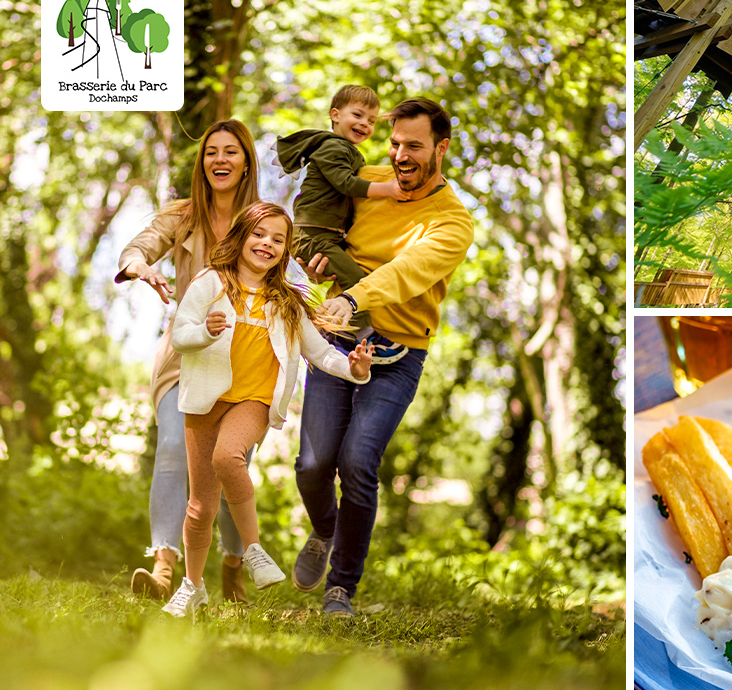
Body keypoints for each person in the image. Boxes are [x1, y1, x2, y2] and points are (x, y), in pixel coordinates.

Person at [292, 97, 474, 616]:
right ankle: (326, 531)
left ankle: (340, 588)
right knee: (312, 464)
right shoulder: (367, 179)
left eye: (414, 146)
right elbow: (314, 217)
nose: (400, 156)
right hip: (337, 338)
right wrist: (316, 256)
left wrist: (353, 296)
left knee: (357, 462)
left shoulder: (452, 221)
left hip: (399, 352)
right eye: (395, 144)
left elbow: (408, 271)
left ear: (441, 148)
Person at [161, 201, 374, 618]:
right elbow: (181, 335)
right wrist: (205, 331)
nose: (267, 244)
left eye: (278, 239)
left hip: (253, 401)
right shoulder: (210, 283)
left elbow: (320, 352)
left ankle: (254, 550)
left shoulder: (288, 302)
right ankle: (192, 586)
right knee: (200, 506)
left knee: (228, 457)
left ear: (285, 251)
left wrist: (354, 369)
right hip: (206, 399)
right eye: (260, 234)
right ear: (242, 236)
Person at [116, 120, 259, 603]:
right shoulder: (181, 215)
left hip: (245, 358)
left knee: (229, 462)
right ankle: (163, 570)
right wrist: (140, 264)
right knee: (175, 448)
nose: (219, 160)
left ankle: (233, 566)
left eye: (230, 152)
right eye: (211, 152)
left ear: (245, 163)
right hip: (186, 352)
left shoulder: (262, 221)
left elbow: (295, 270)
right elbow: (139, 245)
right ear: (203, 164)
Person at [277, 84, 409, 364]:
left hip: (324, 236)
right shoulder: (333, 147)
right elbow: (345, 183)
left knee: (352, 275)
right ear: (335, 114)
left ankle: (336, 332)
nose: (365, 124)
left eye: (371, 121)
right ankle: (365, 337)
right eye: (358, 115)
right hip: (312, 236)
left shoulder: (345, 149)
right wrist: (388, 189)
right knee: (356, 280)